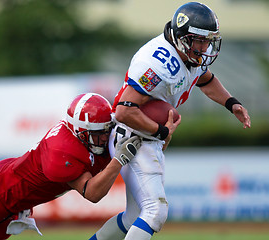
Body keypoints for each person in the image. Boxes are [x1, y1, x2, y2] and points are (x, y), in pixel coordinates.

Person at [90, 2, 251, 240]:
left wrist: (231, 103)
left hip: (146, 137)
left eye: (208, 41)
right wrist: (161, 131)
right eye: (200, 40)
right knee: (156, 211)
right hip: (133, 137)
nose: (205, 47)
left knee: (134, 216)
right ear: (183, 38)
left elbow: (205, 80)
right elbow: (124, 110)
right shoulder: (157, 62)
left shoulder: (188, 55)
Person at [0, 93, 142, 240]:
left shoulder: (75, 133)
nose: (105, 136)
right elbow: (92, 194)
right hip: (5, 196)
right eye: (99, 133)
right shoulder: (64, 156)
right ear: (82, 131)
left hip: (4, 176)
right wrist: (117, 160)